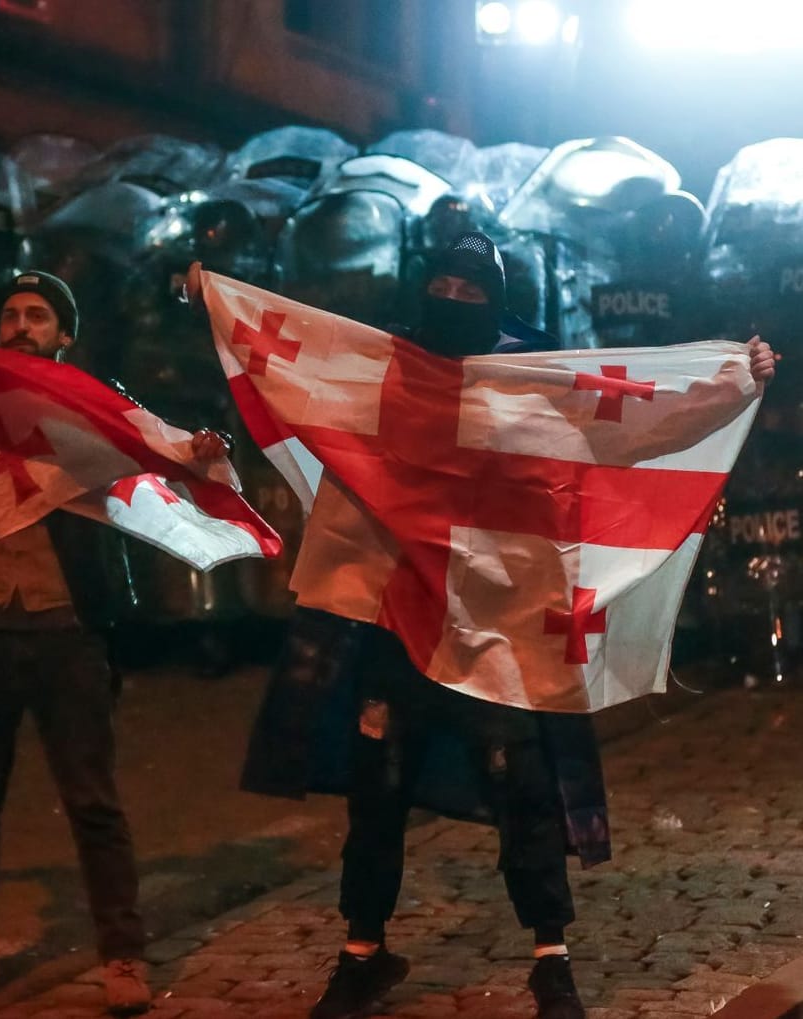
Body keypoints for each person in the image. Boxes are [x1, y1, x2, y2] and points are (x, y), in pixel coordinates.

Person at [223, 232, 776, 1019]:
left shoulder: (537, 377)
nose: (452, 298)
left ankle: (552, 959)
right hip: (399, 617)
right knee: (377, 792)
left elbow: (644, 419)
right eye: (442, 283)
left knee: (521, 788)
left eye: (470, 288)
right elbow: (289, 368)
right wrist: (209, 297)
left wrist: (731, 381)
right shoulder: (386, 365)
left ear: (497, 299)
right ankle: (362, 953)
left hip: (497, 623)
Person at [0, 271, 231, 1017]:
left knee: (92, 802)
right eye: (9, 313)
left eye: (37, 316)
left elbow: (158, 452)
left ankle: (122, 954)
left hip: (67, 626)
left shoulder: (91, 403)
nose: (20, 325)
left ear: (63, 334)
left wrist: (198, 450)